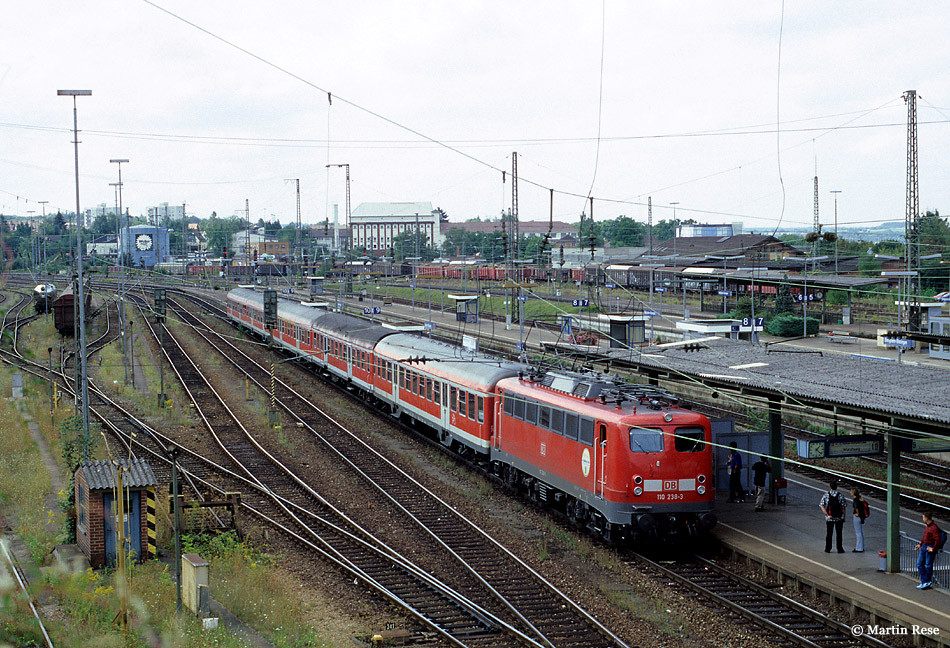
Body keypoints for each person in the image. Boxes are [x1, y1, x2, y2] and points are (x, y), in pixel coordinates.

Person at [914, 511, 941, 589]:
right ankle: (925, 581)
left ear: (926, 518)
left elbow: (937, 539)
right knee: (920, 564)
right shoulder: (928, 527)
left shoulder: (934, 528)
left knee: (928, 565)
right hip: (924, 546)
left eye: (923, 517)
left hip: (929, 547)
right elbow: (925, 537)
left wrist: (933, 548)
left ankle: (926, 581)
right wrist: (920, 544)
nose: (922, 519)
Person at [818, 479, 846, 553]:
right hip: (839, 518)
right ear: (837, 487)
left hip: (830, 518)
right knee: (839, 534)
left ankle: (828, 548)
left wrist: (827, 514)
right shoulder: (840, 496)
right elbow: (843, 507)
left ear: (830, 487)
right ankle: (839, 548)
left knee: (829, 533)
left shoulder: (826, 495)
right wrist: (844, 517)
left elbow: (821, 505)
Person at [851, 488, 868, 552]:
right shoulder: (860, 498)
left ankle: (859, 548)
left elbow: (856, 507)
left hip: (857, 517)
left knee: (858, 532)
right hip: (862, 516)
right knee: (860, 532)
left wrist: (857, 513)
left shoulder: (855, 500)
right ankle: (860, 546)